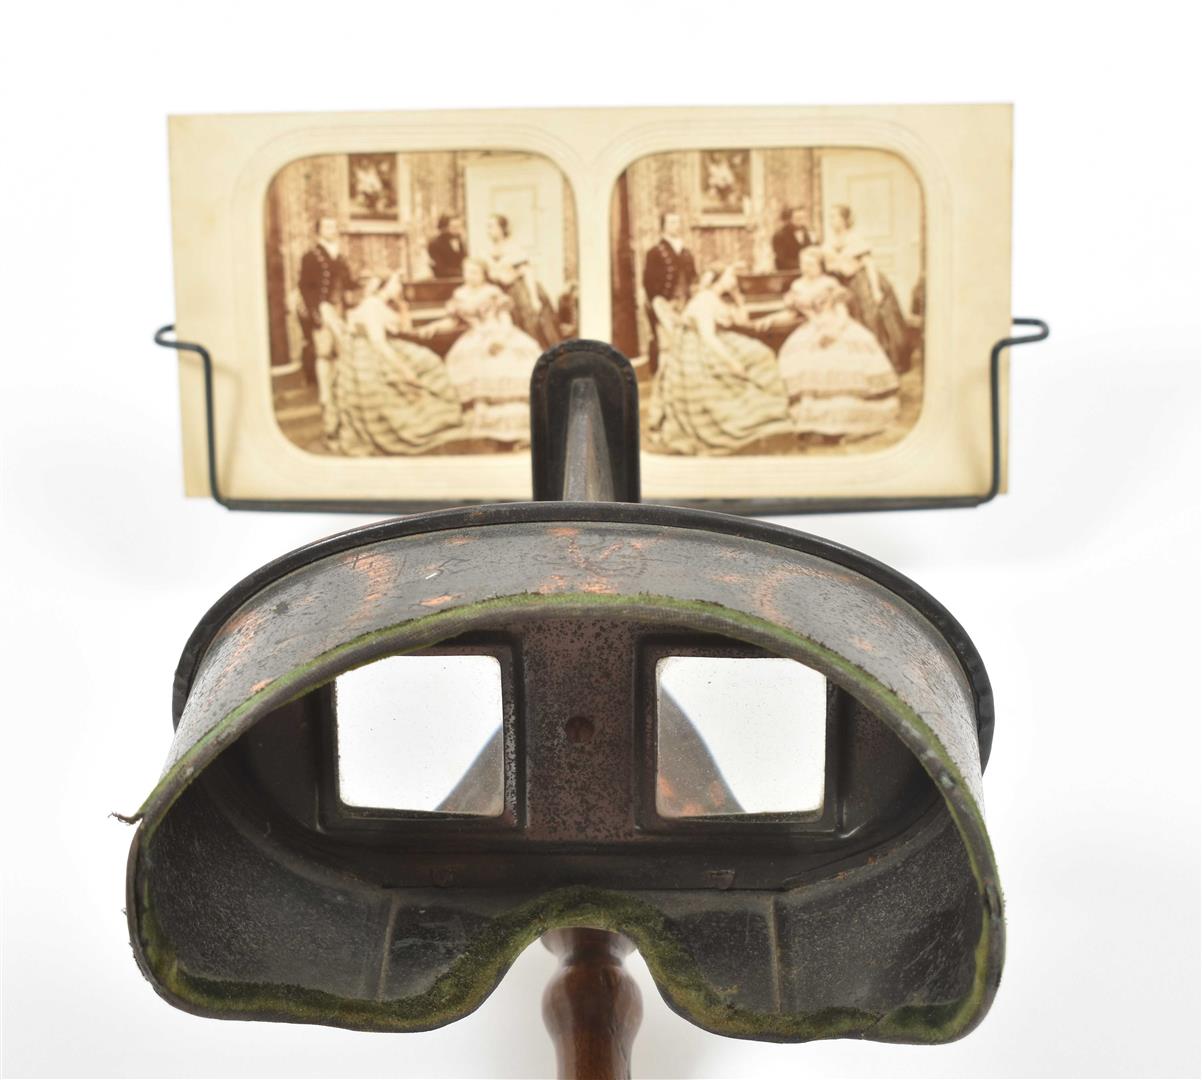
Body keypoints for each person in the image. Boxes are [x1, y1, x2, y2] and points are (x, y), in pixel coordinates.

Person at [648, 264, 791, 455]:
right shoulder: (705, 300)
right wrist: (731, 362)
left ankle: (767, 409)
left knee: (761, 354)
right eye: (730, 276)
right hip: (697, 348)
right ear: (719, 278)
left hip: (719, 338)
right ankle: (748, 416)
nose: (734, 280)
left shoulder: (718, 298)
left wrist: (738, 298)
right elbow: (708, 337)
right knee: (755, 357)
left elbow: (743, 321)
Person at [325, 272, 464, 456]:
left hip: (388, 345)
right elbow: (378, 343)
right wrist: (404, 370)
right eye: (396, 283)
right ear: (385, 286)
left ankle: (433, 413)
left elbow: (405, 329)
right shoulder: (372, 305)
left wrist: (402, 307)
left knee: (428, 361)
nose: (400, 287)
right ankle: (411, 422)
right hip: (367, 353)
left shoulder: (386, 304)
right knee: (418, 367)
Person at [775, 247, 900, 440]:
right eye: (803, 264)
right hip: (811, 328)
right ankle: (812, 420)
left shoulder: (830, 283)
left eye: (811, 264)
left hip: (836, 325)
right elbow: (792, 313)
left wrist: (834, 331)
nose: (806, 268)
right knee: (803, 359)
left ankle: (846, 420)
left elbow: (842, 313)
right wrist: (769, 319)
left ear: (820, 266)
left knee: (839, 360)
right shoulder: (797, 286)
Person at [439, 258, 543, 444]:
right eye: (467, 271)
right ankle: (480, 413)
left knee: (504, 361)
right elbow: (453, 321)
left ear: (483, 274)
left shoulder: (492, 292)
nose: (470, 276)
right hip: (475, 335)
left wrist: (501, 338)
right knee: (468, 359)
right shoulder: (459, 294)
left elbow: (505, 319)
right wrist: (433, 327)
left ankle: (519, 421)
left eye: (475, 272)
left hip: (498, 332)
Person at [821, 204, 911, 372]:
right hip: (843, 284)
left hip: (863, 282)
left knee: (872, 318)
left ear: (844, 219)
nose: (831, 220)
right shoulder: (829, 242)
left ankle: (880, 362)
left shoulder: (856, 239)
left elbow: (869, 265)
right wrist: (838, 267)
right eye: (830, 217)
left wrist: (876, 290)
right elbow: (829, 266)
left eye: (835, 216)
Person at [297, 215, 356, 409]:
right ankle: (324, 395)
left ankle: (339, 393)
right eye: (327, 227)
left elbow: (349, 283)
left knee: (340, 351)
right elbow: (305, 287)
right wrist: (315, 311)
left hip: (340, 308)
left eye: (333, 226)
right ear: (319, 231)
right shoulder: (311, 256)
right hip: (322, 307)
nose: (332, 230)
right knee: (324, 352)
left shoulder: (340, 256)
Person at [484, 213, 560, 349]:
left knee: (532, 323)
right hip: (502, 292)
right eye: (487, 227)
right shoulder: (488, 250)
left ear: (502, 228)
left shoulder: (513, 247)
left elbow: (527, 272)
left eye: (491, 226)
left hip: (521, 290)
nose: (488, 230)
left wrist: (534, 298)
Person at [642, 211, 697, 372]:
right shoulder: (655, 252)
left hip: (685, 303)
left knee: (685, 340)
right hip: (664, 304)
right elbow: (648, 282)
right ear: (663, 226)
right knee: (666, 343)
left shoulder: (686, 252)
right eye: (672, 222)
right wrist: (659, 304)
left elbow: (693, 278)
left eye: (678, 222)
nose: (676, 226)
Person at [772, 207, 816, 271]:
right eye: (798, 218)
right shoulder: (780, 235)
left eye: (803, 218)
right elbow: (781, 260)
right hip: (788, 272)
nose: (801, 221)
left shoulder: (808, 233)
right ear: (790, 219)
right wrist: (801, 265)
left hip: (808, 270)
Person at [427, 214, 466, 279]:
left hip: (461, 278)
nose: (458, 230)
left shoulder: (459, 240)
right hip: (444, 281)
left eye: (459, 226)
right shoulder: (434, 244)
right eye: (454, 227)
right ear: (444, 228)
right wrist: (462, 273)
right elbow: (440, 269)